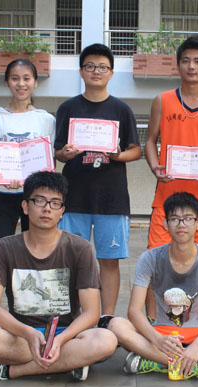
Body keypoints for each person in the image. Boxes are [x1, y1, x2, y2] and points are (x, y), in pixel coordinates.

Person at [0, 171, 117, 382]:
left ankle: (9, 370)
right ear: (25, 206)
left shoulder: (80, 248)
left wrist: (60, 340)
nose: (47, 208)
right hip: (20, 336)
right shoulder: (4, 247)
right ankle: (68, 363)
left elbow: (91, 312)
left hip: (65, 335)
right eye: (39, 200)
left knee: (105, 341)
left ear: (62, 211)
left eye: (55, 203)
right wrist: (27, 333)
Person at [107, 192, 198, 382]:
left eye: (188, 218)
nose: (181, 224)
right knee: (116, 325)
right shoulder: (150, 258)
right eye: (174, 219)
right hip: (163, 334)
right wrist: (157, 339)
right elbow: (134, 311)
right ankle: (194, 366)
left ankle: (159, 362)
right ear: (165, 224)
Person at [54, 44, 141, 328]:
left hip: (111, 199)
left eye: (102, 67)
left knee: (109, 261)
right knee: (71, 260)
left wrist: (117, 155)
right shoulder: (68, 108)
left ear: (111, 73)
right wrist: (65, 154)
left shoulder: (121, 109)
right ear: (81, 71)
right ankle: (73, 314)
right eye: (90, 66)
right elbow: (58, 152)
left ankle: (107, 316)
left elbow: (135, 151)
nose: (96, 71)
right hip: (74, 198)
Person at [145, 35, 198, 253]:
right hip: (166, 196)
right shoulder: (162, 100)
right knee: (157, 260)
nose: (191, 66)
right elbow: (150, 141)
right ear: (178, 65)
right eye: (186, 61)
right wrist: (155, 167)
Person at [0, 58, 56, 246]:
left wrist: (28, 180)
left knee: (36, 248)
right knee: (1, 247)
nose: (21, 84)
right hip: (2, 194)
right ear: (7, 82)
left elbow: (49, 162)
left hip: (36, 195)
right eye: (15, 78)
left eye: (26, 78)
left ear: (35, 82)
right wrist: (5, 176)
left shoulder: (46, 119)